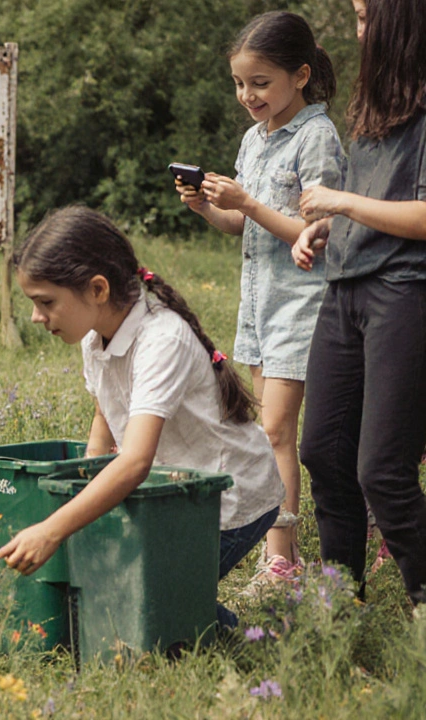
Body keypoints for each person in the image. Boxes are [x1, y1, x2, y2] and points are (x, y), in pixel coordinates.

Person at [1, 206, 284, 627]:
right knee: (111, 588)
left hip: (228, 500)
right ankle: (188, 614)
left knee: (136, 603)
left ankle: (241, 636)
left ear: (97, 289)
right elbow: (104, 412)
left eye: (46, 302)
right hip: (171, 495)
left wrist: (53, 529)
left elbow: (134, 461)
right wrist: (83, 491)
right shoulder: (95, 335)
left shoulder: (161, 340)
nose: (35, 317)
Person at [174, 11, 346, 587]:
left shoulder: (317, 136)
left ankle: (283, 560)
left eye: (260, 83)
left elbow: (314, 232)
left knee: (276, 431)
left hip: (303, 303)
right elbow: (240, 227)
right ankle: (286, 553)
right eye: (240, 84)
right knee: (272, 431)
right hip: (259, 306)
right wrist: (208, 206)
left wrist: (246, 202)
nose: (248, 95)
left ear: (300, 75)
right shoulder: (255, 137)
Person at [291, 0, 426, 605]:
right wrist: (326, 226)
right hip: (345, 288)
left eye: (368, 17)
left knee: (384, 474)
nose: (358, 29)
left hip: (405, 291)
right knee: (322, 450)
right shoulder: (376, 102)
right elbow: (369, 196)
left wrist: (341, 206)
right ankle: (341, 603)